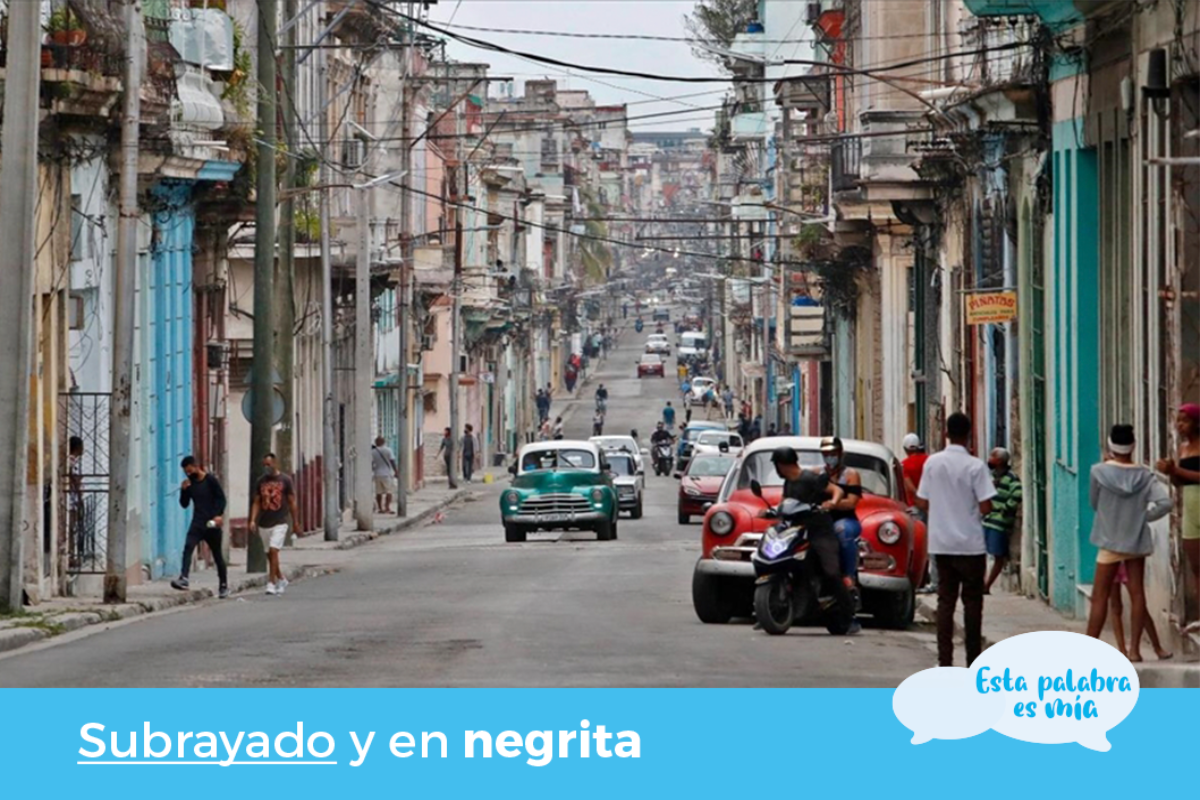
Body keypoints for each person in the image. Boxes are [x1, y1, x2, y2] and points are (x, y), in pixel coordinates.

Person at [915, 413, 996, 667]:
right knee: (972, 604)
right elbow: (985, 506)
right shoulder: (975, 466)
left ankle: (945, 661)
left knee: (945, 601)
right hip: (970, 545)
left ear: (946, 433)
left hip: (942, 543)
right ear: (969, 434)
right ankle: (973, 660)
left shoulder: (932, 464)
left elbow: (923, 501)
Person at [1086, 424, 1173, 660]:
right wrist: (1142, 516)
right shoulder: (1145, 476)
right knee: (1137, 594)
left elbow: (1094, 503)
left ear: (1111, 444)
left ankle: (1088, 648)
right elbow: (1165, 503)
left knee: (1099, 596)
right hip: (1135, 539)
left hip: (1109, 538)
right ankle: (1134, 650)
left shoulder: (1098, 472)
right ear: (1133, 445)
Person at [769, 446, 858, 635]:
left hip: (820, 531)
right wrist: (773, 512)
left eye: (776, 465)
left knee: (831, 571)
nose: (776, 469)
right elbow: (784, 502)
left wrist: (832, 503)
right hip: (796, 530)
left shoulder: (809, 478)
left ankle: (849, 616)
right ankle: (773, 609)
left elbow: (837, 491)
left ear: (783, 465)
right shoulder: (788, 483)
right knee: (779, 559)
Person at [1156, 403, 1200, 633]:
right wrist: (1170, 473)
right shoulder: (1183, 449)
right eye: (1178, 421)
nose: (1180, 426)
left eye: (1185, 421)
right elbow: (1180, 482)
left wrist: (1176, 471)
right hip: (1191, 508)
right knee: (1196, 566)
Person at [170, 456, 228, 598]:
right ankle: (184, 578)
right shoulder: (190, 484)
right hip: (197, 522)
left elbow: (221, 499)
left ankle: (223, 584)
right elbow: (184, 504)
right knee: (188, 547)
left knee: (217, 555)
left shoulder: (210, 481)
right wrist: (183, 491)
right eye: (186, 472)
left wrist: (218, 515)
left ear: (196, 466)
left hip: (211, 523)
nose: (188, 474)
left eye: (189, 470)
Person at [820, 437, 863, 599]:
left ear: (840, 453)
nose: (829, 457)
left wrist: (832, 504)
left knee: (842, 531)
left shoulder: (851, 475)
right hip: (821, 520)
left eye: (833, 453)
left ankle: (848, 576)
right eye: (826, 454)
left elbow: (852, 502)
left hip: (845, 519)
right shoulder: (817, 473)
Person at [250, 453, 299, 596]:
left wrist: (295, 522)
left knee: (273, 550)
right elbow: (257, 502)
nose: (266, 468)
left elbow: (292, 502)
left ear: (275, 463)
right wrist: (253, 520)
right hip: (264, 523)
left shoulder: (285, 480)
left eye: (268, 464)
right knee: (270, 555)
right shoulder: (260, 481)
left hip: (280, 521)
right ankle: (282, 578)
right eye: (264, 465)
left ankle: (271, 582)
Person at [1108, 561, 1172, 660]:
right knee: (1125, 605)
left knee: (1138, 606)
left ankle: (1152, 648)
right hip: (1114, 561)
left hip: (1121, 560)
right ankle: (1125, 650)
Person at [983, 447, 1022, 594]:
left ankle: (987, 585)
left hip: (999, 522)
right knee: (981, 552)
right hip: (987, 519)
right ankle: (983, 583)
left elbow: (1017, 494)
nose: (990, 459)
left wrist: (1005, 509)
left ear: (1000, 460)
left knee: (998, 555)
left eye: (992, 456)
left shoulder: (1011, 478)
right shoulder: (992, 477)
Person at [371, 436, 398, 514]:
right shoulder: (388, 450)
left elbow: (371, 463)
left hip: (377, 474)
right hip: (386, 474)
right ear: (384, 442)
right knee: (389, 492)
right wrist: (396, 471)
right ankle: (387, 507)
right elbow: (392, 461)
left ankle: (380, 508)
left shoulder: (373, 452)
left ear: (376, 442)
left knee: (378, 492)